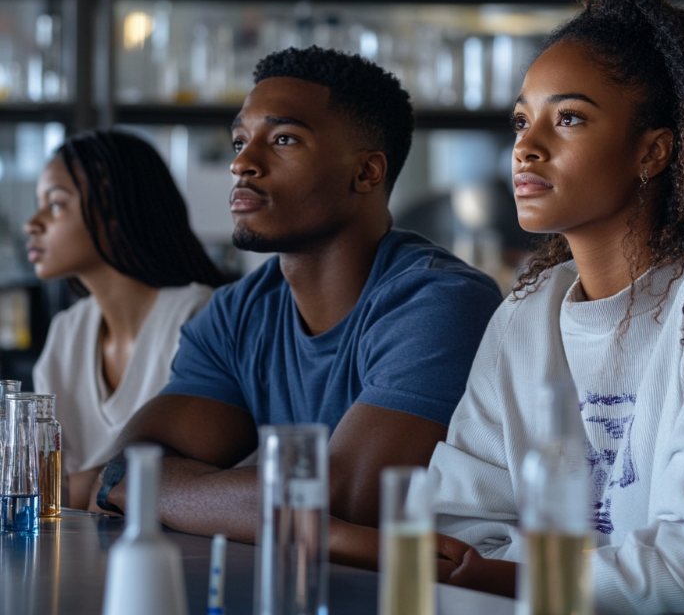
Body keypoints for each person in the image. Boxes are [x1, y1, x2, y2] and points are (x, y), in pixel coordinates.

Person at [429, 0, 684, 614]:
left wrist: (509, 572)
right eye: (523, 120)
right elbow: (455, 528)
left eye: (568, 118)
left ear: (652, 150)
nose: (527, 145)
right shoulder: (527, 311)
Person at [90, 47, 503, 550]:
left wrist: (142, 491)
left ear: (367, 173)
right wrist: (127, 484)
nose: (242, 163)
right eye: (240, 140)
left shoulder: (437, 303)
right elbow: (128, 465)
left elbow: (342, 499)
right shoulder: (237, 312)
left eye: (283, 139)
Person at [29, 129, 224, 509]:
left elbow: (179, 479)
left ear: (113, 210)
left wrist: (83, 486)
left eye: (55, 205)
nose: (32, 224)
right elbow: (41, 481)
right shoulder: (67, 330)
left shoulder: (197, 316)